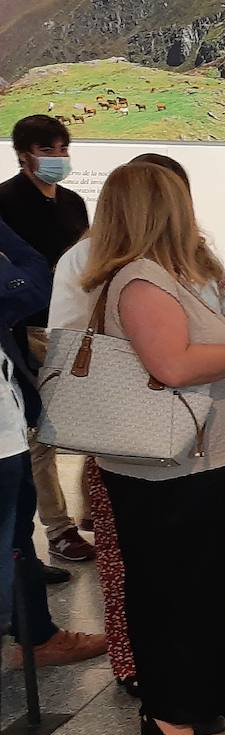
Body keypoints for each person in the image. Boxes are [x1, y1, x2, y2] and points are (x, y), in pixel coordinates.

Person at [47, 152, 225, 697]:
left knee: (202, 576)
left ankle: (214, 684)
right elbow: (172, 363)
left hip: (198, 448)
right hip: (158, 455)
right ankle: (167, 698)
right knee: (161, 581)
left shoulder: (177, 269)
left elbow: (196, 341)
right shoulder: (140, 279)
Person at [0, 215, 105, 676]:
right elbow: (31, 282)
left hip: (8, 419)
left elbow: (29, 280)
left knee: (15, 535)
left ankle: (36, 633)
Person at [0, 115, 94, 564]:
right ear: (24, 154)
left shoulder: (74, 202)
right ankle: (58, 527)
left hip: (74, 326)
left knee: (87, 422)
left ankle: (94, 508)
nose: (58, 158)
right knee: (42, 434)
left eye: (63, 149)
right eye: (48, 150)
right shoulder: (5, 201)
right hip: (29, 329)